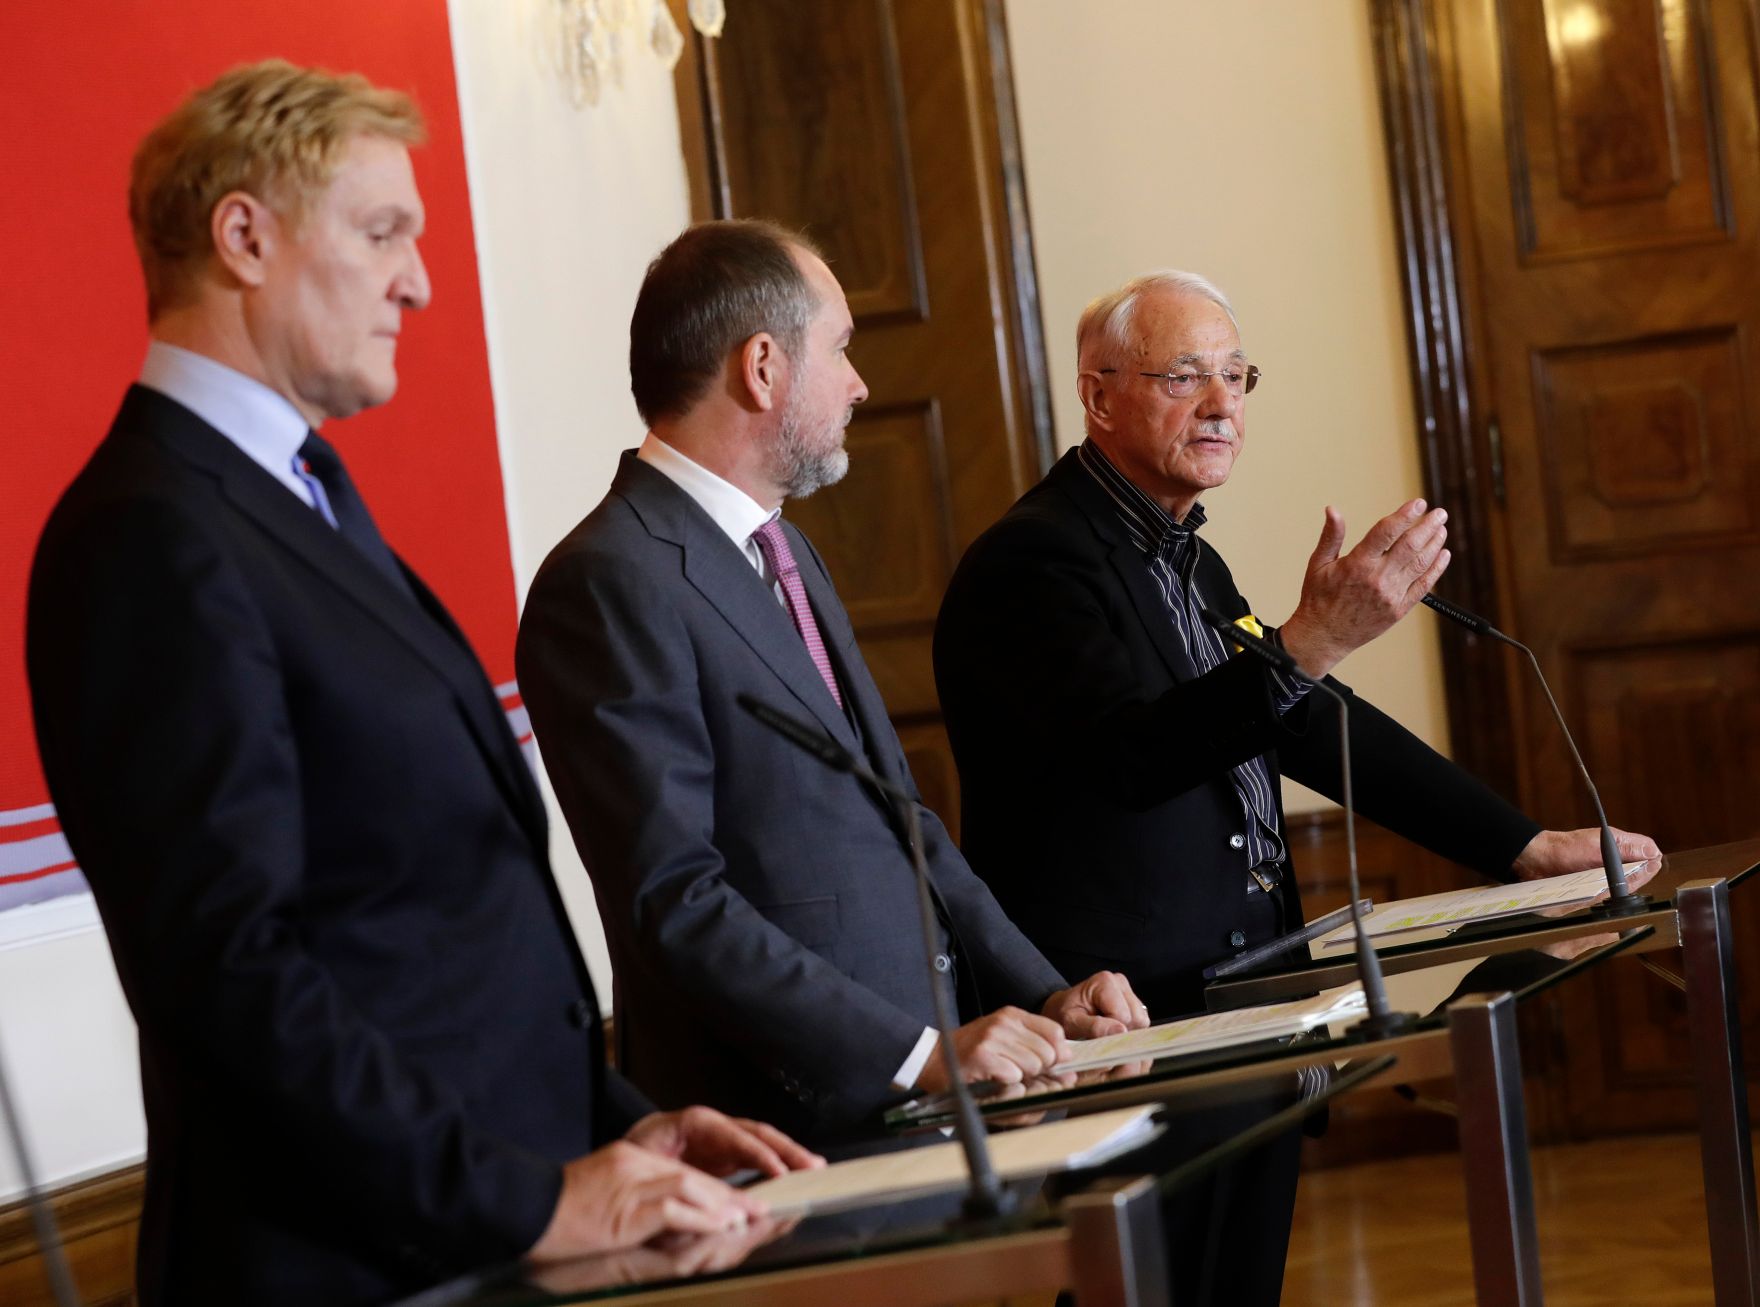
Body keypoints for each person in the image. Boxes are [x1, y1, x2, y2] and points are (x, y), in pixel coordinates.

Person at [26, 62, 816, 1307]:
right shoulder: (147, 533)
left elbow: (425, 931)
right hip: (343, 1269)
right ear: (244, 237)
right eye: (383, 231)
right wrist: (529, 1198)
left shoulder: (303, 498)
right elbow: (230, 974)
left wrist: (616, 1125)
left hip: (471, 1237)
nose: (417, 280)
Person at [932, 268, 1662, 1304]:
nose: (1220, 403)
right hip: (1124, 1020)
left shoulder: (1187, 559)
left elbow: (1304, 718)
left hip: (1242, 1004)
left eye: (1235, 376)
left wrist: (1520, 844)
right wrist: (1308, 642)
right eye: (1184, 375)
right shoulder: (1032, 563)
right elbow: (1130, 758)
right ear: (1099, 396)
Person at [515, 219, 1149, 1149]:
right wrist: (915, 1053)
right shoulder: (607, 580)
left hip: (918, 1103)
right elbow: (674, 900)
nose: (860, 384)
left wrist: (1047, 990)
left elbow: (903, 821)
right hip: (780, 1128)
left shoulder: (786, 550)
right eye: (842, 347)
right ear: (763, 367)